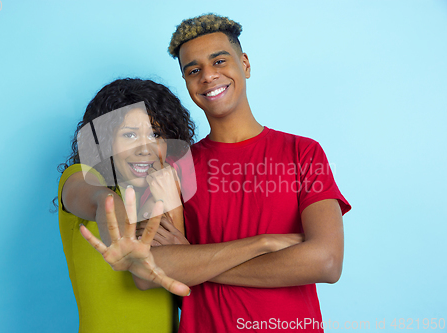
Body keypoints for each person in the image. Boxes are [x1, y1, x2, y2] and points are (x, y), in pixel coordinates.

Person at [81, 13, 351, 333]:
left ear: (245, 64)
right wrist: (263, 244)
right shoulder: (170, 166)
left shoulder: (303, 153)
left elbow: (326, 262)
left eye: (219, 61)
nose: (208, 76)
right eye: (194, 70)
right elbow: (146, 271)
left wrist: (192, 260)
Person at [57, 78, 196, 333]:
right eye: (129, 135)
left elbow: (188, 300)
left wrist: (174, 207)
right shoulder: (83, 177)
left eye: (156, 134)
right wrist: (122, 238)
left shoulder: (161, 198)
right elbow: (102, 201)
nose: (145, 149)